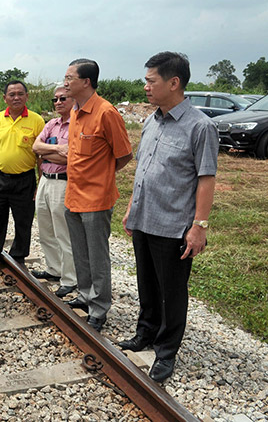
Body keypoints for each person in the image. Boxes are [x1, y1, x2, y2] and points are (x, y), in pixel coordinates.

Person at [121, 52, 218, 382]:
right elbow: (145, 168)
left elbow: (206, 179)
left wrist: (199, 226)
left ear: (174, 83)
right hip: (145, 217)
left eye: (151, 81)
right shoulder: (152, 120)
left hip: (174, 223)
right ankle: (145, 333)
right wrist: (133, 205)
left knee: (171, 291)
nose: (146, 87)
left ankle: (166, 351)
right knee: (146, 283)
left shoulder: (200, 126)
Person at [62, 59, 133, 332]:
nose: (65, 83)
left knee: (97, 255)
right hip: (73, 195)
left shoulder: (106, 113)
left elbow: (124, 153)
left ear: (86, 82)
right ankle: (84, 294)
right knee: (80, 252)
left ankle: (99, 307)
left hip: (96, 198)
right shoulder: (75, 112)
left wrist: (103, 175)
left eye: (70, 78)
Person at [0, 81, 44, 275]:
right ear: (4, 98)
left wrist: (40, 183)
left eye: (20, 94)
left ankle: (18, 257)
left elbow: (41, 156)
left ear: (27, 96)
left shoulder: (37, 121)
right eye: (12, 94)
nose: (16, 97)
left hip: (25, 180)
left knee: (23, 221)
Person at [32, 86, 78, 298]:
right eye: (55, 99)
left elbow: (73, 158)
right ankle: (53, 269)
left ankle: (70, 278)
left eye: (63, 98)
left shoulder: (78, 124)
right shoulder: (51, 123)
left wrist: (47, 153)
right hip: (45, 181)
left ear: (73, 99)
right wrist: (58, 150)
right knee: (45, 228)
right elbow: (36, 147)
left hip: (63, 183)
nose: (58, 102)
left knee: (63, 232)